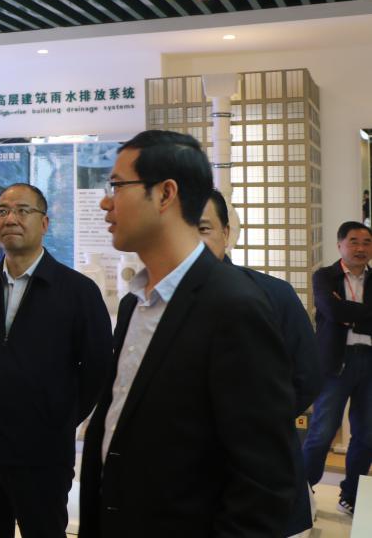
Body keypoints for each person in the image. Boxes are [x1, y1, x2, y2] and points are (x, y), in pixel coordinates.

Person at [80, 130, 295, 537]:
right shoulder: (136, 302)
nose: (106, 202)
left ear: (165, 194)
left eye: (118, 186)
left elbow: (264, 483)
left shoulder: (233, 306)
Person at [0, 183, 111, 538]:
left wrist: (59, 416)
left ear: (44, 223)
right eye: (2, 211)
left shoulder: (77, 291)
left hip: (43, 454)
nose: (10, 218)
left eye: (22, 210)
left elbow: (98, 369)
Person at [198, 189, 322, 535]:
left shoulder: (272, 294)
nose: (193, 242)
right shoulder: (154, 303)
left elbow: (307, 375)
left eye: (204, 229)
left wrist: (255, 421)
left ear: (226, 232)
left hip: (261, 465)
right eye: (183, 229)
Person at [300, 221, 372, 517]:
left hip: (369, 362)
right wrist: (362, 314)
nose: (361, 248)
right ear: (340, 244)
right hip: (335, 362)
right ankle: (301, 496)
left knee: (367, 435)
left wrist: (348, 314)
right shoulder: (324, 277)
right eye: (354, 241)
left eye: (367, 242)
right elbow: (330, 310)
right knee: (321, 433)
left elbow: (341, 312)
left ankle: (351, 496)